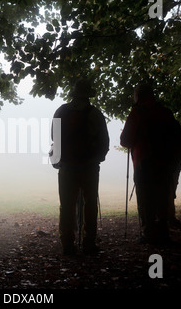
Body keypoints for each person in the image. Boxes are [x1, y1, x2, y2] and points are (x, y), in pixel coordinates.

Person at [120, 83, 181, 244]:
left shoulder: (137, 113)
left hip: (144, 162)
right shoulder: (165, 112)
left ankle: (149, 233)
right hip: (166, 163)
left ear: (138, 96)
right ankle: (163, 233)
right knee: (163, 198)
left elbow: (125, 141)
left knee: (145, 199)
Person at [52, 78, 109, 255]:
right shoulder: (95, 114)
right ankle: (89, 243)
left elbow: (54, 137)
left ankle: (67, 244)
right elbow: (104, 141)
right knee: (90, 204)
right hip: (89, 166)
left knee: (66, 205)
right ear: (88, 95)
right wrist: (98, 158)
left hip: (67, 166)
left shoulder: (61, 111)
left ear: (74, 94)